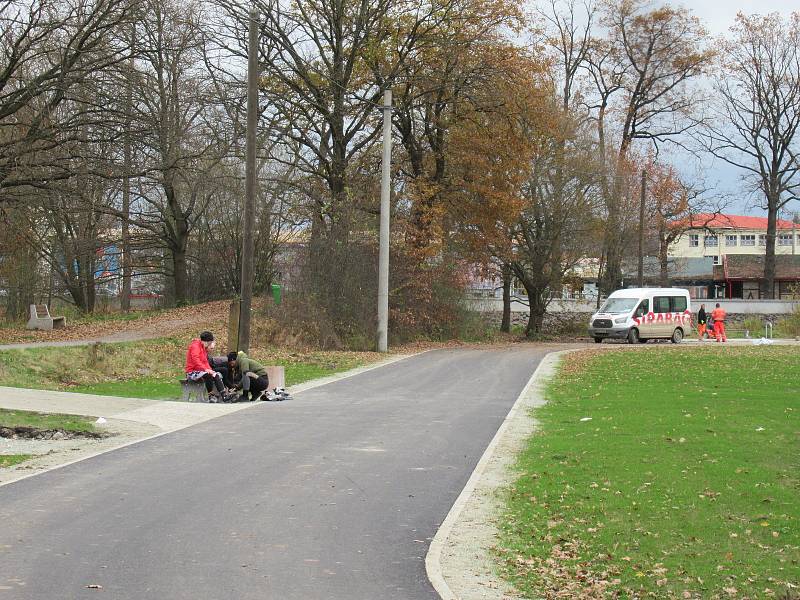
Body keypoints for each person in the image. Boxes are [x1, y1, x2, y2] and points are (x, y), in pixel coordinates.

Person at [185, 331, 229, 402]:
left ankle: (224, 395)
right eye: (209, 343)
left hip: (201, 370)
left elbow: (205, 361)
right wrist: (205, 369)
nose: (209, 345)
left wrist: (210, 370)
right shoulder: (195, 346)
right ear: (205, 341)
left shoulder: (203, 348)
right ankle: (210, 395)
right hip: (192, 372)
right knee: (208, 375)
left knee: (215, 375)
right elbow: (196, 360)